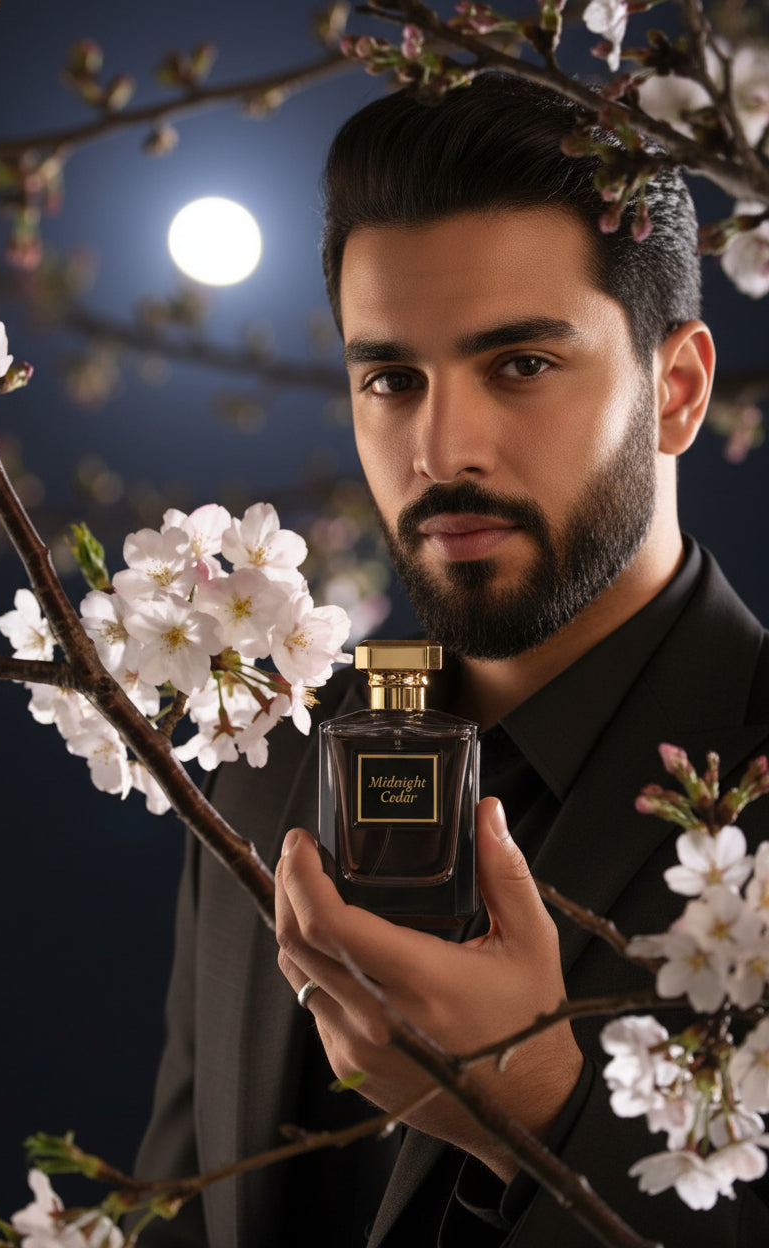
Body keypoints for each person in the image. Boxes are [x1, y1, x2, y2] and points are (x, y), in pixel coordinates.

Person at [132, 73, 769, 1246]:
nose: (440, 448)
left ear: (675, 389)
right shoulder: (268, 758)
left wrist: (538, 1109)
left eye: (521, 364)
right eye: (390, 379)